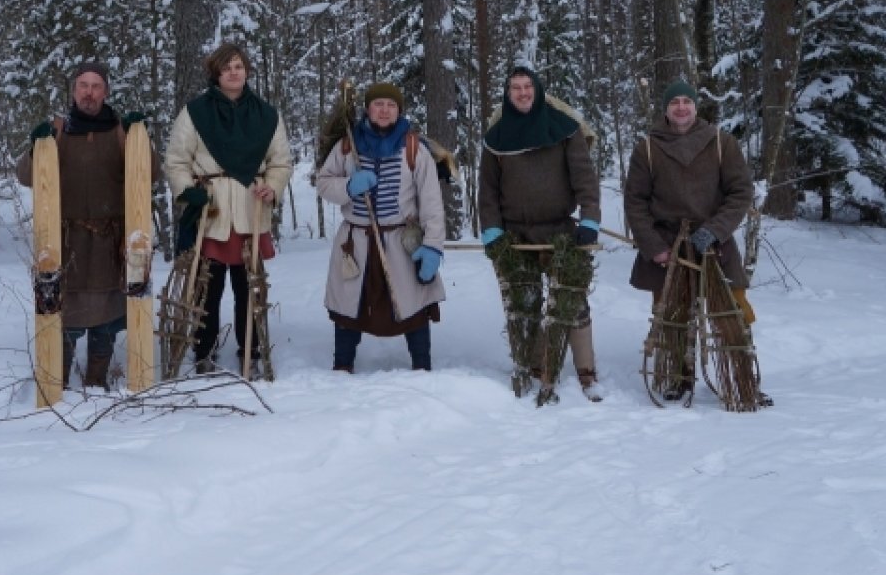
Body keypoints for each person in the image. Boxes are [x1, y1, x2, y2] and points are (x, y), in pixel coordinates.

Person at [623, 79, 770, 404]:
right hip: (667, 245)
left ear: (695, 106)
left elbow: (740, 192)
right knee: (672, 318)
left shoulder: (720, 143)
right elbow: (635, 201)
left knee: (733, 313)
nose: (680, 108)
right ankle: (679, 378)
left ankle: (743, 381)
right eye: (674, 102)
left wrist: (715, 230)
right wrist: (653, 246)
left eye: (686, 102)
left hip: (714, 245)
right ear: (666, 109)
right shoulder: (648, 147)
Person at [17, 61, 156, 390]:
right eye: (83, 85)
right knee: (64, 316)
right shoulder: (59, 130)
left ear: (106, 91)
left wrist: (141, 140)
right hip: (67, 243)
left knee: (107, 317)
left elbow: (152, 175)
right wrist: (36, 148)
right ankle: (58, 380)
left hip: (110, 243)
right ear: (73, 90)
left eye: (96, 86)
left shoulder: (122, 131)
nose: (89, 92)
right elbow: (25, 177)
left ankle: (96, 381)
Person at [164, 43, 293, 377]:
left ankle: (249, 350)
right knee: (207, 287)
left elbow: (281, 162)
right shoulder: (195, 112)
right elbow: (176, 160)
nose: (234, 72)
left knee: (247, 287)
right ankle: (203, 350)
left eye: (239, 66)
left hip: (251, 207)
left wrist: (273, 187)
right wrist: (188, 191)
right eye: (227, 68)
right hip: (213, 208)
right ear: (216, 74)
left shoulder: (267, 115)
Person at [478, 64, 603, 406]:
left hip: (560, 230)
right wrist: (491, 227)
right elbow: (487, 189)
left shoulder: (564, 129)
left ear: (538, 90)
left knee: (572, 300)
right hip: (516, 235)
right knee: (525, 304)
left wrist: (590, 218)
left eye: (527, 87)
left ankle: (586, 371)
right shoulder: (497, 136)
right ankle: (535, 367)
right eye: (515, 88)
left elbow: (584, 178)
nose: (522, 93)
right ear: (508, 93)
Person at [316, 83, 446, 372]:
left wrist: (433, 245)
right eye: (378, 104)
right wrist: (348, 186)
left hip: (401, 241)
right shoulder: (347, 145)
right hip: (356, 241)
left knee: (413, 304)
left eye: (391, 105)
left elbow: (431, 203)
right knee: (350, 307)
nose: (384, 110)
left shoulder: (414, 148)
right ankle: (342, 366)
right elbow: (323, 182)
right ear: (367, 109)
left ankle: (422, 366)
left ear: (399, 110)